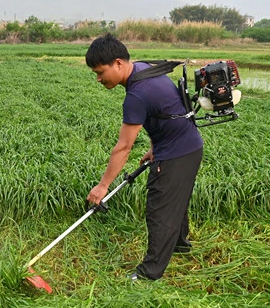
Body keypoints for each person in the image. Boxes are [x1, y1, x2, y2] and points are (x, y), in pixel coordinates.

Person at [85, 33, 203, 281]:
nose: (98, 79)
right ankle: (180, 246)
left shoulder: (136, 95)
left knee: (160, 209)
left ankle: (149, 273)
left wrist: (103, 185)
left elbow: (123, 147)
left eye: (100, 72)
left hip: (177, 153)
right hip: (188, 146)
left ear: (118, 63)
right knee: (176, 199)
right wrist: (154, 145)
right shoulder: (143, 69)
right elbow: (162, 111)